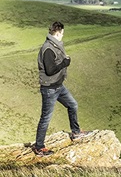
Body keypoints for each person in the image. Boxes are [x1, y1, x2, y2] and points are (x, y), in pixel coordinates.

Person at [33, 21, 91, 157]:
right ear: (58, 33)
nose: (63, 35)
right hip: (50, 89)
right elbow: (50, 70)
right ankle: (39, 147)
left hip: (59, 86)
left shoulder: (55, 45)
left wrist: (64, 61)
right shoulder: (48, 48)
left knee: (73, 105)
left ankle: (76, 133)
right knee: (46, 118)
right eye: (63, 33)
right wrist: (65, 63)